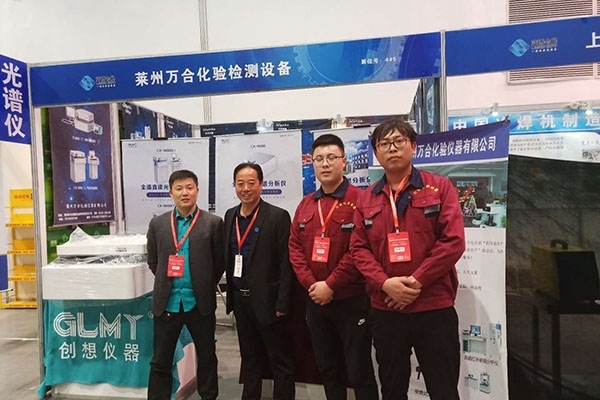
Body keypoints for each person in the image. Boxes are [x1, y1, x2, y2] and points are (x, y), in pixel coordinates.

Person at [350, 118, 466, 400]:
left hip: (433, 306)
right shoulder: (366, 198)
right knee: (392, 389)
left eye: (399, 141)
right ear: (376, 153)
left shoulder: (439, 187)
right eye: (384, 144)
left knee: (443, 388)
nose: (392, 148)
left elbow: (453, 241)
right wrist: (385, 283)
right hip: (387, 309)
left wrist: (416, 281)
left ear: (413, 146)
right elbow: (358, 249)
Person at [288, 134, 379, 400]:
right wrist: (312, 285)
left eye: (331, 158)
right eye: (319, 159)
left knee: (359, 370)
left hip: (352, 301)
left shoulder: (361, 200)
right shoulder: (306, 203)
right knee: (327, 368)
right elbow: (295, 247)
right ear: (312, 164)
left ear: (344, 161)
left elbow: (359, 250)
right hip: (316, 301)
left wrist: (330, 284)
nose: (325, 164)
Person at [146, 169, 224, 400]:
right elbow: (153, 261)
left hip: (199, 304)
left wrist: (203, 283)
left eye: (189, 187)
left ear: (197, 190)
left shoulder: (213, 223)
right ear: (170, 193)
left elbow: (219, 262)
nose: (185, 193)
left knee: (207, 357)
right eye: (179, 188)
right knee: (160, 360)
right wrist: (166, 280)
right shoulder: (158, 224)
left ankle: (208, 396)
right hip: (167, 303)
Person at [224, 162, 295, 400]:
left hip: (269, 303)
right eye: (240, 183)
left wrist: (283, 303)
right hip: (240, 300)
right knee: (249, 357)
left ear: (261, 184)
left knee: (279, 360)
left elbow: (286, 263)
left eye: (251, 183)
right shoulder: (230, 216)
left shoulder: (277, 216)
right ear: (234, 186)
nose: (246, 188)